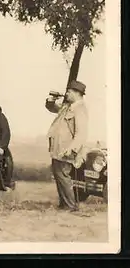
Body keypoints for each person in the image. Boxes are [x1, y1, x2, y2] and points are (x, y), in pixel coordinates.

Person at [46, 80, 89, 212]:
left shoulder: (80, 109)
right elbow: (52, 108)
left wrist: (72, 149)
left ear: (77, 93)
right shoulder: (68, 107)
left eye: (69, 91)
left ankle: (70, 206)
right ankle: (64, 204)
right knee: (59, 175)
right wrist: (51, 100)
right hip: (58, 149)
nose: (66, 94)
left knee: (63, 176)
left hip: (67, 150)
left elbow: (81, 133)